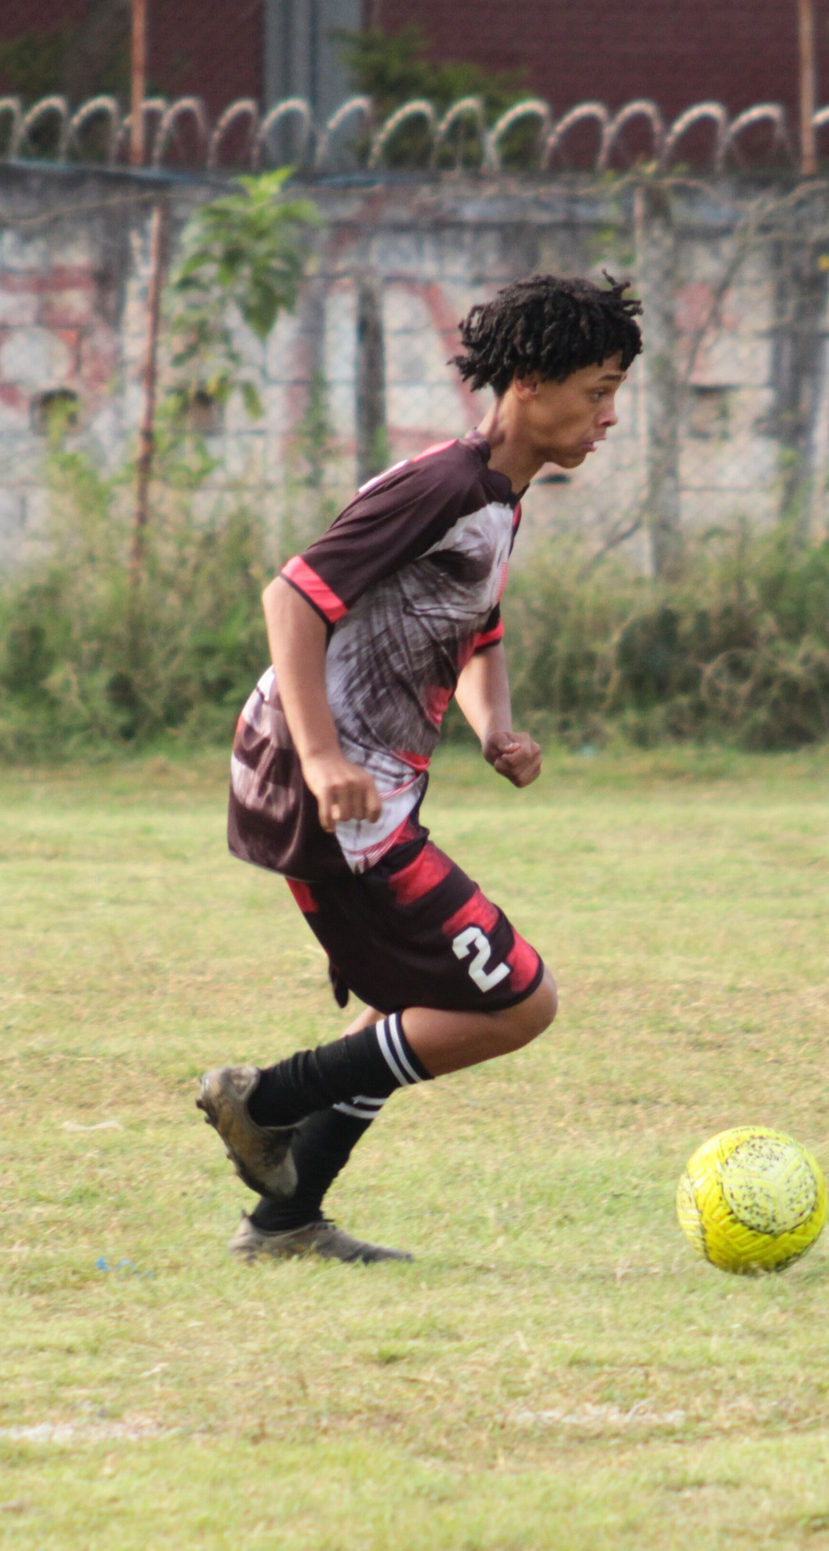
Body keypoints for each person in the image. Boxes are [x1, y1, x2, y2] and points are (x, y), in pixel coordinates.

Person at [193, 274, 641, 1261]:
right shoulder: (438, 486)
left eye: (616, 394)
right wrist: (320, 760)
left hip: (364, 792)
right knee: (518, 1000)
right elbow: (293, 600)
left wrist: (496, 727)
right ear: (528, 382)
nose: (609, 416)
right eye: (596, 391)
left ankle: (285, 1223)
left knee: (419, 1012)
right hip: (328, 796)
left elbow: (473, 624)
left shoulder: (497, 495)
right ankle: (261, 1099)